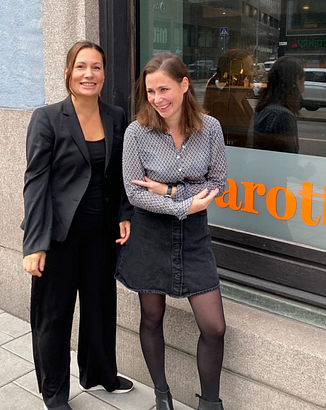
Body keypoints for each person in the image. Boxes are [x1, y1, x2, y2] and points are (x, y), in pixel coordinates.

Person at [22, 41, 134, 410]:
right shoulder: (48, 118)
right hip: (59, 236)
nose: (90, 74)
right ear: (68, 72)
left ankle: (98, 372)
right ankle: (53, 392)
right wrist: (35, 244)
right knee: (53, 315)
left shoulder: (116, 116)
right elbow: (36, 182)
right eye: (82, 66)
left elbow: (118, 174)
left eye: (97, 67)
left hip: (101, 233)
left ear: (104, 73)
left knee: (100, 306)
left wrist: (122, 213)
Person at [116, 52, 228, 410]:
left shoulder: (210, 128)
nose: (157, 99)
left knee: (214, 327)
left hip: (195, 237)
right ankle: (162, 396)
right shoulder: (136, 132)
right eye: (150, 91)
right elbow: (134, 193)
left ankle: (210, 403)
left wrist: (168, 191)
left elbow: (218, 182)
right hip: (150, 235)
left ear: (183, 85)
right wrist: (183, 204)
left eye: (163, 88)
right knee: (151, 317)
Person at [203, 49, 256, 147]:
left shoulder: (242, 100)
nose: (255, 73)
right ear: (237, 74)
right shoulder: (222, 105)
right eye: (251, 68)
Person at [252, 56, 305, 153]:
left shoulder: (264, 108)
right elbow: (289, 159)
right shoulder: (283, 116)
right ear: (297, 81)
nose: (303, 89)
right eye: (303, 82)